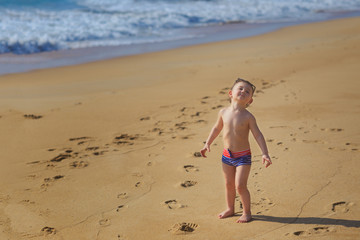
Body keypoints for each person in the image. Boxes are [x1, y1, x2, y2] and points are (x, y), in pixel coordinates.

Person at [200, 78, 272, 223]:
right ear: (230, 93)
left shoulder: (248, 117)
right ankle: (230, 208)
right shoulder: (223, 112)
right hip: (226, 156)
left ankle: (247, 212)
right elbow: (216, 128)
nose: (243, 92)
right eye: (240, 88)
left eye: (247, 92)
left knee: (240, 185)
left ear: (250, 101)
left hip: (243, 157)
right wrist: (207, 143)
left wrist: (265, 153)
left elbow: (258, 135)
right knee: (228, 184)